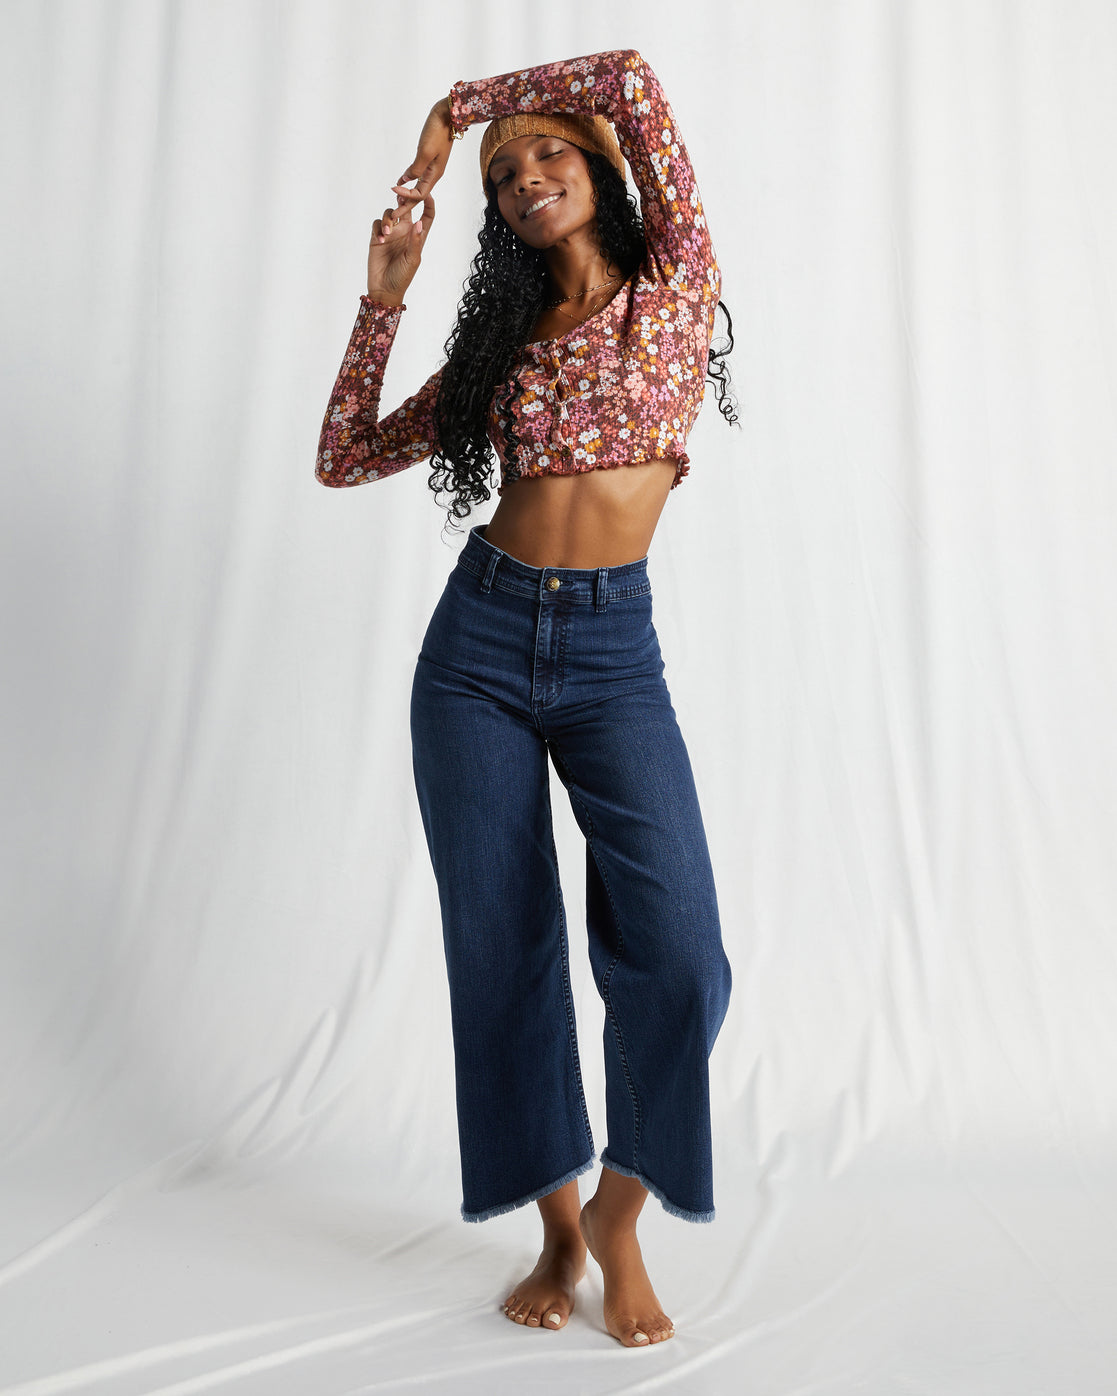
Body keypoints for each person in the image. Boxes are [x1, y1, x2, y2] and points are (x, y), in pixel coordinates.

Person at [316, 48, 735, 1349]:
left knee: (681, 955)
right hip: (477, 654)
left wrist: (460, 117)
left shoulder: (676, 284)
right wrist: (383, 299)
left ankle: (619, 1211)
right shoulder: (502, 349)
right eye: (502, 177)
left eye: (548, 152)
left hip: (614, 657)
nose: (523, 178)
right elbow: (344, 455)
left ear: (601, 166)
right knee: (500, 952)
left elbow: (629, 74)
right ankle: (556, 1230)